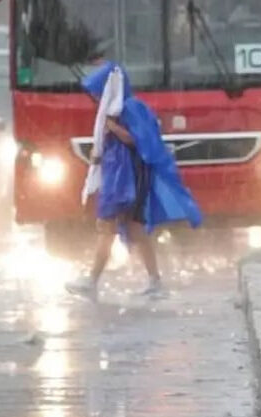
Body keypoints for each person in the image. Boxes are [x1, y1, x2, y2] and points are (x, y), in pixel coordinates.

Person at [66, 61, 202, 299]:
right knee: (131, 228)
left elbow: (139, 141)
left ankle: (93, 281)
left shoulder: (131, 108)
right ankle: (151, 281)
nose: (97, 99)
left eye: (99, 93)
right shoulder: (113, 112)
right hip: (117, 178)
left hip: (131, 177)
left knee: (110, 227)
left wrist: (111, 127)